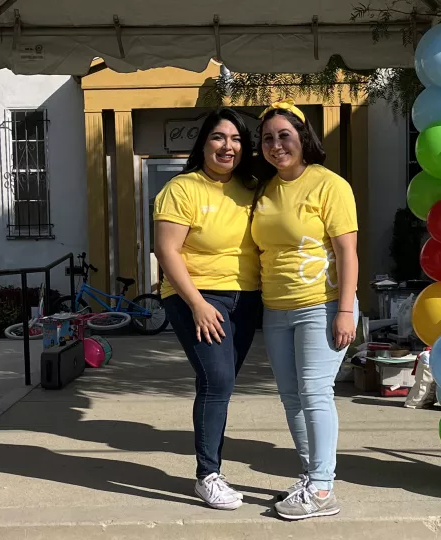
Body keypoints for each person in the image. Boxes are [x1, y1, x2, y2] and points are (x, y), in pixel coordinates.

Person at [251, 99, 360, 520]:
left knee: (315, 394)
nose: (276, 145)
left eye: (284, 136)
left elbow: (347, 252)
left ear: (303, 139)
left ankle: (322, 489)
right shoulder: (265, 188)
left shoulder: (329, 185)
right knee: (291, 398)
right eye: (268, 139)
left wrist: (346, 311)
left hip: (320, 304)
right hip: (275, 309)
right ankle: (310, 475)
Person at [153, 108, 263, 511]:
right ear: (203, 143)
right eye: (218, 137)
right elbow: (166, 250)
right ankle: (207, 474)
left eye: (235, 139)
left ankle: (211, 469)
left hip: (245, 298)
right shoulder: (182, 189)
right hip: (196, 297)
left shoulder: (251, 187)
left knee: (218, 384)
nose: (227, 146)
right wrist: (197, 304)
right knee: (218, 381)